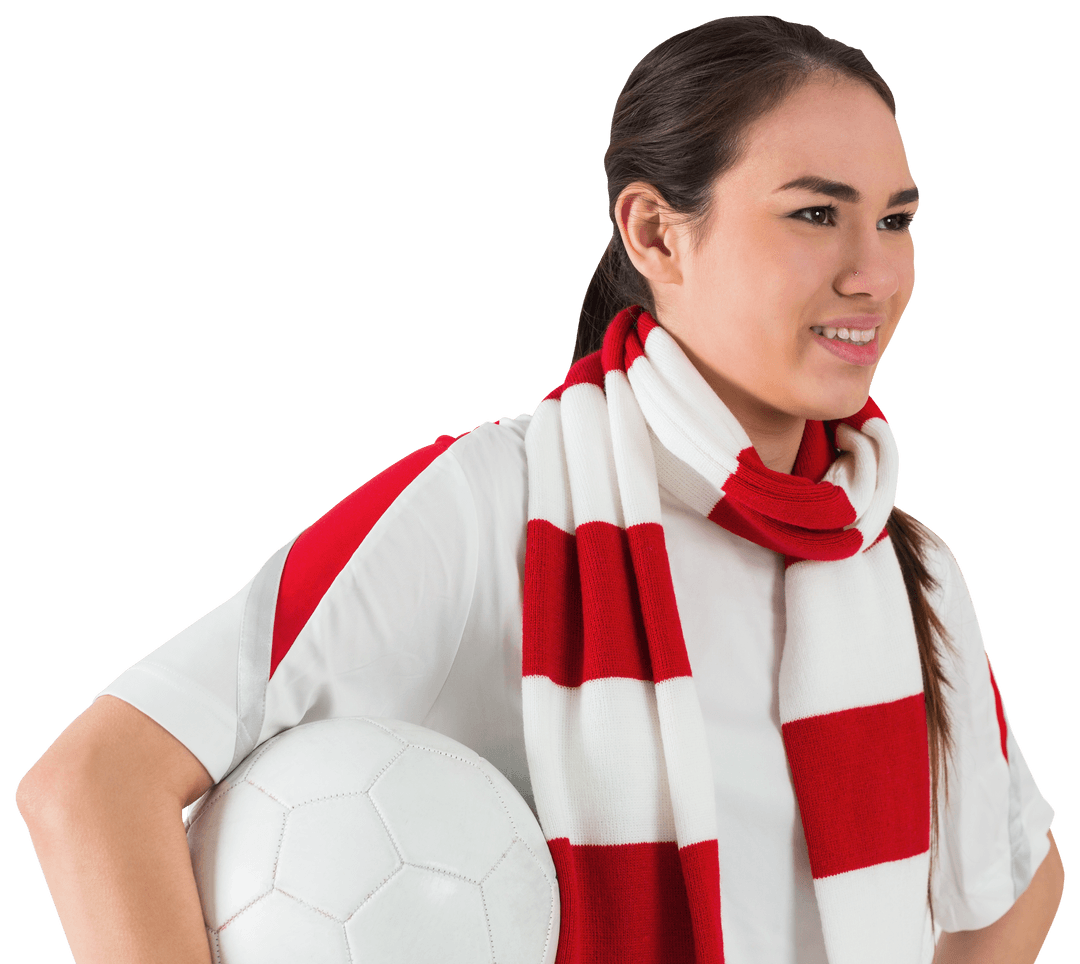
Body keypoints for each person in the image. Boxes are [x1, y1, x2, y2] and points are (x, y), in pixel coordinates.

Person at [15, 14, 1064, 964]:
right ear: (656, 232)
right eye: (814, 214)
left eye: (895, 220)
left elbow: (1015, 879)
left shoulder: (901, 560)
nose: (873, 273)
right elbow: (95, 783)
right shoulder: (491, 504)